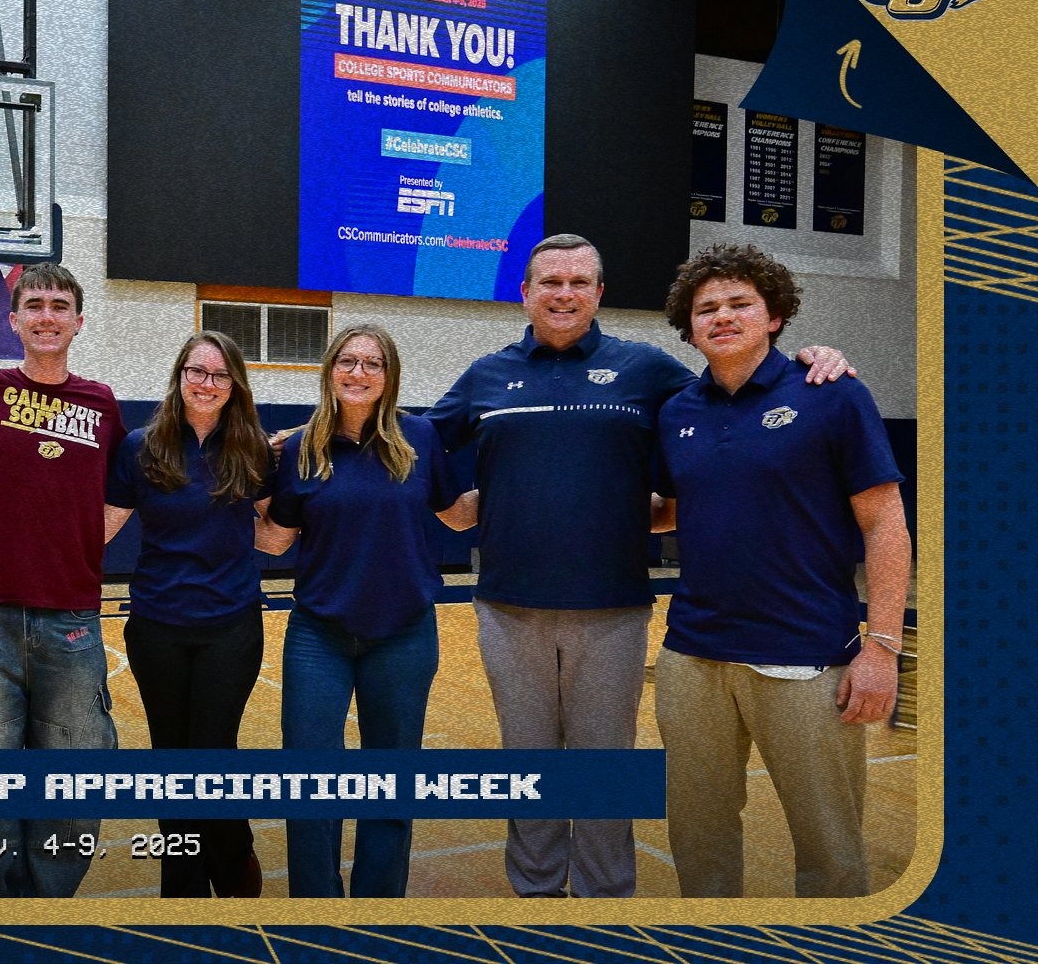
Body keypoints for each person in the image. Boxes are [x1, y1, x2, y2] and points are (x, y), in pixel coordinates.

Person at [422, 233, 851, 898]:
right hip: (508, 609)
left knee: (604, 766)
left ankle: (602, 902)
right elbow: (412, 446)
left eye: (578, 282)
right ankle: (536, 896)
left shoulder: (647, 370)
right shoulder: (486, 375)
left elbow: (735, 390)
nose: (563, 294)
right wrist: (455, 506)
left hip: (614, 609)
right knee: (527, 763)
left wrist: (810, 359)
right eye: (549, 282)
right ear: (525, 292)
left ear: (598, 293)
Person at [653, 243, 908, 897]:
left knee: (830, 853)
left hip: (805, 657)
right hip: (693, 657)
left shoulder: (832, 393)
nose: (723, 315)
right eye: (707, 308)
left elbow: (885, 523)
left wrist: (882, 646)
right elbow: (671, 510)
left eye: (741, 302)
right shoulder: (678, 412)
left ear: (774, 316)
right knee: (698, 840)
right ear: (690, 328)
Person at [0, 262, 128, 897]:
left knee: (72, 793)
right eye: (34, 305)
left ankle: (45, 918)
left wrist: (75, 540)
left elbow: (119, 492)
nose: (47, 316)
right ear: (13, 320)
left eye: (59, 306)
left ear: (78, 322)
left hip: (72, 622)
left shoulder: (101, 403)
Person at [257, 324, 466, 898]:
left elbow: (459, 515)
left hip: (403, 636)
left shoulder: (419, 438)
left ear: (389, 376)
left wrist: (527, 474)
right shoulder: (302, 448)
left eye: (373, 364)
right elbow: (274, 540)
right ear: (330, 371)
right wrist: (226, 483)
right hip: (318, 636)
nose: (359, 372)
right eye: (348, 361)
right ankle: (316, 910)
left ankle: (378, 910)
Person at [103, 331, 273, 898]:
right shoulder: (140, 447)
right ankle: (181, 889)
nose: (207, 383)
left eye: (220, 375)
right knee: (170, 760)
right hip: (157, 628)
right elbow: (101, 529)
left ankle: (232, 866)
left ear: (235, 387)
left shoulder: (254, 451)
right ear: (179, 377)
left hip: (231, 626)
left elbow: (278, 532)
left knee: (211, 754)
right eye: (196, 371)